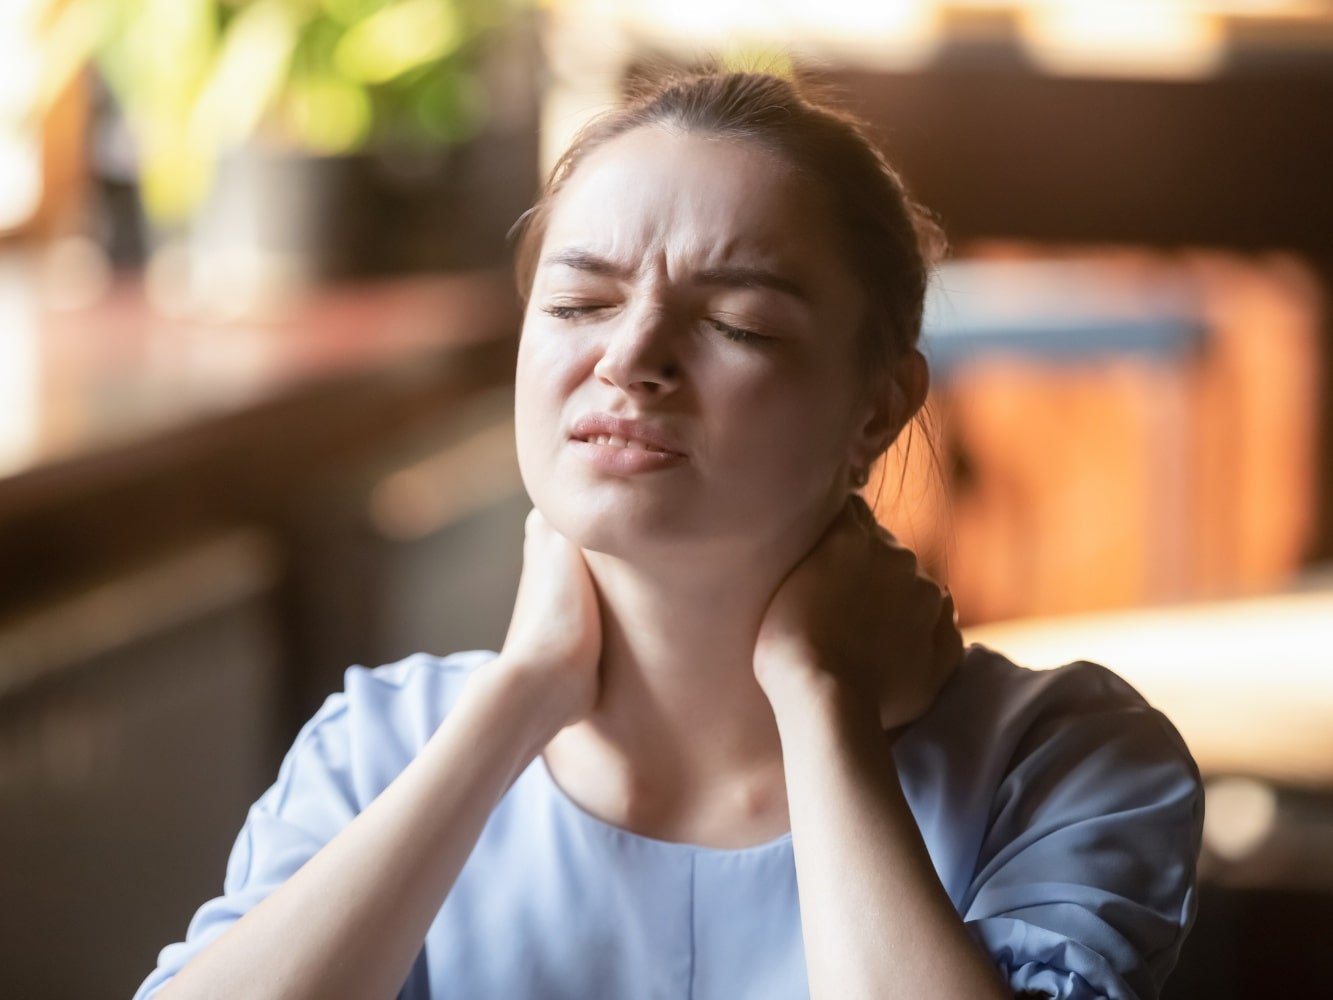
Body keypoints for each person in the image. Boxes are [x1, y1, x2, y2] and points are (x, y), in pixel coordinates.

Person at [134, 69, 1203, 1000]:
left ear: (876, 408)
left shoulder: (1060, 765)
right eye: (577, 304)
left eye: (737, 322)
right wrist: (516, 700)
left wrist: (820, 704)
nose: (632, 354)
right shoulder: (380, 749)